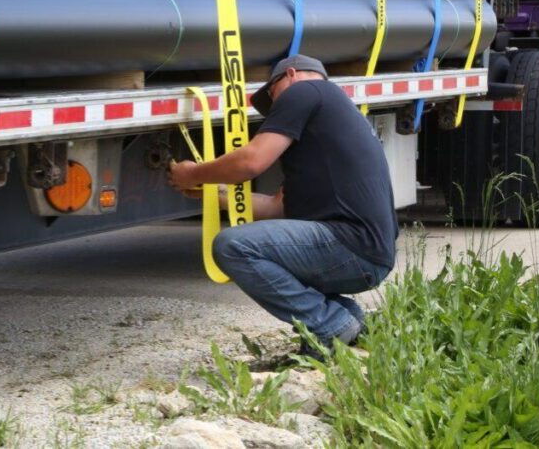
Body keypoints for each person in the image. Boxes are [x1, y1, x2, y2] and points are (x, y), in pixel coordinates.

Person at [168, 54, 398, 353]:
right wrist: (218, 195)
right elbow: (277, 208)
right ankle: (348, 318)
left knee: (233, 246)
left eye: (273, 96)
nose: (275, 109)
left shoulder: (306, 91)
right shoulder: (330, 122)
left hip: (351, 244)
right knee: (261, 247)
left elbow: (252, 161)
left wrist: (193, 173)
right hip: (369, 254)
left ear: (290, 74)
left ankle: (328, 324)